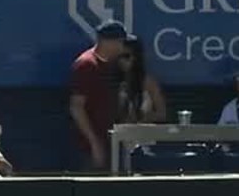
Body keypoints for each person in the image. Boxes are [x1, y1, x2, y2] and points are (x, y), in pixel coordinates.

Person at [71, 20, 128, 172]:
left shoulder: (113, 65)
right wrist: (94, 143)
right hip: (90, 146)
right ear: (107, 42)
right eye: (119, 42)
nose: (122, 47)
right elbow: (77, 107)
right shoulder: (87, 65)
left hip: (112, 141)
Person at [117, 35, 167, 124]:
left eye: (126, 56)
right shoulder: (114, 81)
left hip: (143, 132)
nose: (122, 61)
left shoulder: (148, 82)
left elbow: (162, 114)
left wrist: (142, 119)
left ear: (136, 57)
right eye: (119, 56)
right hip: (120, 133)